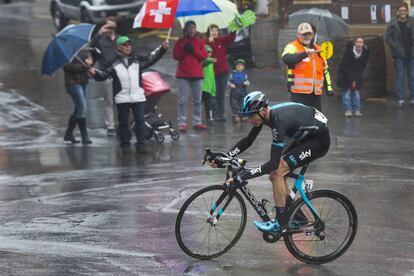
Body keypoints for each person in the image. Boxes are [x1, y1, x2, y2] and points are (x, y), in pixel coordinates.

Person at [209, 91, 330, 232]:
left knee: (277, 171)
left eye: (252, 115)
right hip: (304, 137)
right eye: (247, 116)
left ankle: (280, 222)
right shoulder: (265, 114)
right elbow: (248, 141)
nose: (250, 119)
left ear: (263, 110)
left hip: (318, 141)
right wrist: (226, 157)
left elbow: (273, 164)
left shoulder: (279, 121)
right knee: (275, 175)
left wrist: (244, 175)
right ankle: (298, 218)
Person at [95, 36, 169, 153]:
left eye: (129, 44)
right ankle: (125, 144)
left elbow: (151, 59)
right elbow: (103, 75)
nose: (128, 47)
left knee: (140, 121)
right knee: (123, 123)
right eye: (125, 45)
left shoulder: (137, 59)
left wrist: (162, 49)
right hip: (122, 98)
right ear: (119, 47)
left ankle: (141, 145)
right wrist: (94, 73)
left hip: (137, 96)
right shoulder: (113, 62)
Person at [206, 10, 256, 122]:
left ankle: (221, 114)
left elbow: (231, 38)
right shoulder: (207, 43)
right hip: (211, 73)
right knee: (213, 95)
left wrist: (234, 28)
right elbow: (207, 54)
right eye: (212, 31)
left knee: (221, 94)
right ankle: (214, 114)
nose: (214, 32)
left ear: (218, 32)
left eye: (216, 30)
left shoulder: (222, 41)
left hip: (223, 72)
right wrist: (210, 43)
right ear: (209, 32)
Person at [281, 22, 334, 111]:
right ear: (298, 35)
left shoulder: (318, 50)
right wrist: (305, 54)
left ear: (312, 35)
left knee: (317, 120)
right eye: (304, 34)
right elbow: (286, 58)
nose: (306, 36)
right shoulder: (292, 46)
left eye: (309, 34)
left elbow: (325, 70)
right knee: (300, 120)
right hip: (298, 93)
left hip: (316, 93)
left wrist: (329, 88)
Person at [173, 20, 208, 132]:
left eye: (193, 27)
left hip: (197, 74)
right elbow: (176, 56)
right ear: (186, 29)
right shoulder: (180, 42)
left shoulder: (199, 42)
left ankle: (197, 121)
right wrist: (184, 50)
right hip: (183, 74)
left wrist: (194, 51)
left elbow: (203, 56)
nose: (192, 30)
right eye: (189, 28)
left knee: (197, 100)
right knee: (182, 100)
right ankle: (181, 122)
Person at [90, 17, 118, 136]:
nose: (110, 29)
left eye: (112, 27)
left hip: (121, 73)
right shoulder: (100, 40)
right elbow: (91, 47)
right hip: (107, 74)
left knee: (123, 100)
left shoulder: (119, 39)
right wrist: (100, 33)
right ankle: (110, 125)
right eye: (108, 26)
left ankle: (122, 123)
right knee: (109, 101)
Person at [63, 50, 95, 145]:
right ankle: (84, 135)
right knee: (82, 107)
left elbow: (87, 66)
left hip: (83, 83)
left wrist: (90, 67)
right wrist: (84, 65)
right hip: (73, 84)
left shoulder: (82, 52)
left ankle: (69, 133)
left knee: (79, 108)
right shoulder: (64, 55)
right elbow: (69, 67)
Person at [385, 2, 414, 108]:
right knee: (400, 77)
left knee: (412, 77)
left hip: (411, 54)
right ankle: (401, 99)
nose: (403, 12)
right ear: (398, 11)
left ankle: (412, 98)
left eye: (404, 10)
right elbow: (387, 37)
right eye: (401, 10)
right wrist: (395, 46)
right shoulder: (392, 23)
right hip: (399, 55)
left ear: (407, 11)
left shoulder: (412, 21)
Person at [337, 37, 370, 117]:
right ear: (355, 43)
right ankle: (348, 110)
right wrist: (352, 79)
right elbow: (345, 67)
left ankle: (357, 110)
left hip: (356, 75)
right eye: (358, 42)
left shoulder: (364, 55)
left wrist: (355, 79)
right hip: (345, 75)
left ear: (363, 44)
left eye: (361, 42)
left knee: (356, 93)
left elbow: (361, 67)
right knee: (346, 93)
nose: (359, 44)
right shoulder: (348, 53)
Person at [229, 58, 250, 123]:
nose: (239, 66)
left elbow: (247, 81)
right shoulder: (232, 74)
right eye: (238, 65)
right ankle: (236, 115)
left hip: (242, 89)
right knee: (234, 102)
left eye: (241, 65)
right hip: (234, 90)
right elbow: (229, 81)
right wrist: (230, 84)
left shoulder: (244, 74)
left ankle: (243, 115)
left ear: (243, 67)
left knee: (243, 102)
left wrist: (247, 83)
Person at [201, 45, 216, 125]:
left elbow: (212, 77)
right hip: (202, 87)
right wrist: (210, 60)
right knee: (199, 103)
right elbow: (204, 62)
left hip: (209, 88)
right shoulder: (204, 61)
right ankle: (198, 119)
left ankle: (209, 118)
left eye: (210, 52)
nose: (209, 54)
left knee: (208, 104)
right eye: (207, 52)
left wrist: (213, 88)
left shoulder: (211, 63)